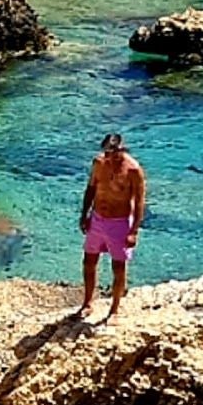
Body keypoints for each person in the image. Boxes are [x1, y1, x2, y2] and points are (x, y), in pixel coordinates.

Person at [76, 133, 146, 326]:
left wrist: (134, 231)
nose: (110, 159)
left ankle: (114, 309)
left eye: (113, 155)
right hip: (98, 218)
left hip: (119, 221)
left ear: (122, 151)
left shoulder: (133, 170)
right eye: (106, 154)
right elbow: (91, 189)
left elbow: (139, 202)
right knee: (89, 261)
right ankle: (87, 303)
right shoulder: (99, 163)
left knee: (118, 267)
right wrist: (84, 215)